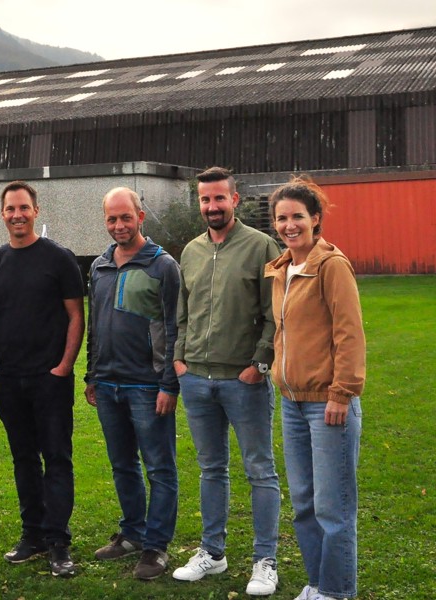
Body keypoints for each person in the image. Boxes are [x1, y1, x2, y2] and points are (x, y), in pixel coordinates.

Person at [172, 167, 282, 596]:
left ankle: (265, 560)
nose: (212, 206)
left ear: (235, 200)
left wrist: (260, 362)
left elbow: (276, 314)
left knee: (260, 470)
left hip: (244, 380)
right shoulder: (192, 251)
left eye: (219, 198)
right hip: (196, 380)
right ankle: (212, 553)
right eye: (205, 200)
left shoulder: (261, 246)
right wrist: (180, 358)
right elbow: (183, 310)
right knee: (210, 469)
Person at [265, 178, 365, 600]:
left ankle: (337, 592)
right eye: (282, 218)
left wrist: (342, 393)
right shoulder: (282, 268)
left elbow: (349, 334)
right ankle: (317, 584)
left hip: (328, 404)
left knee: (333, 506)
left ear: (316, 219)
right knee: (304, 504)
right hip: (291, 401)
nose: (290, 225)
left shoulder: (332, 266)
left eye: (298, 216)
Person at [0, 181, 85, 577]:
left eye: (24, 208)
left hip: (50, 379)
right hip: (9, 378)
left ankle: (58, 541)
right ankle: (32, 535)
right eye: (10, 209)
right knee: (23, 459)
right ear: (3, 214)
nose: (17, 215)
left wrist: (63, 367)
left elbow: (76, 315)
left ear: (36, 211)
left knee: (57, 458)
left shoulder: (59, 258)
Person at [84, 187, 180, 581]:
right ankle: (132, 533)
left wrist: (169, 385)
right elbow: (95, 324)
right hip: (107, 385)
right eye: (112, 219)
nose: (119, 225)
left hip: (147, 385)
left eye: (126, 217)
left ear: (141, 216)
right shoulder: (99, 266)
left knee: (158, 467)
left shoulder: (163, 266)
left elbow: (175, 329)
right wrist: (91, 375)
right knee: (123, 465)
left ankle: (156, 546)